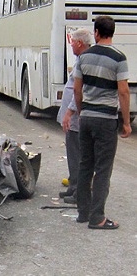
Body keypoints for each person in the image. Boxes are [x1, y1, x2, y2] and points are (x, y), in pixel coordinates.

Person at [73, 15, 131, 229]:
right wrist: (126, 122)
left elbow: (77, 89)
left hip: (87, 117)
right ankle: (97, 217)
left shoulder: (84, 57)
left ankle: (83, 212)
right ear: (112, 32)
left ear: (96, 33)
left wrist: (81, 112)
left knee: (85, 164)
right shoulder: (119, 58)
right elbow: (123, 92)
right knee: (103, 169)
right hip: (106, 120)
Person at [56, 28, 91, 204]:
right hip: (73, 117)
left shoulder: (84, 61)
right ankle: (73, 185)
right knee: (72, 152)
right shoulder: (79, 60)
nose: (70, 45)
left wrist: (70, 112)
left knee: (77, 153)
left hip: (76, 117)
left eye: (72, 42)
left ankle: (78, 191)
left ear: (79, 43)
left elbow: (79, 90)